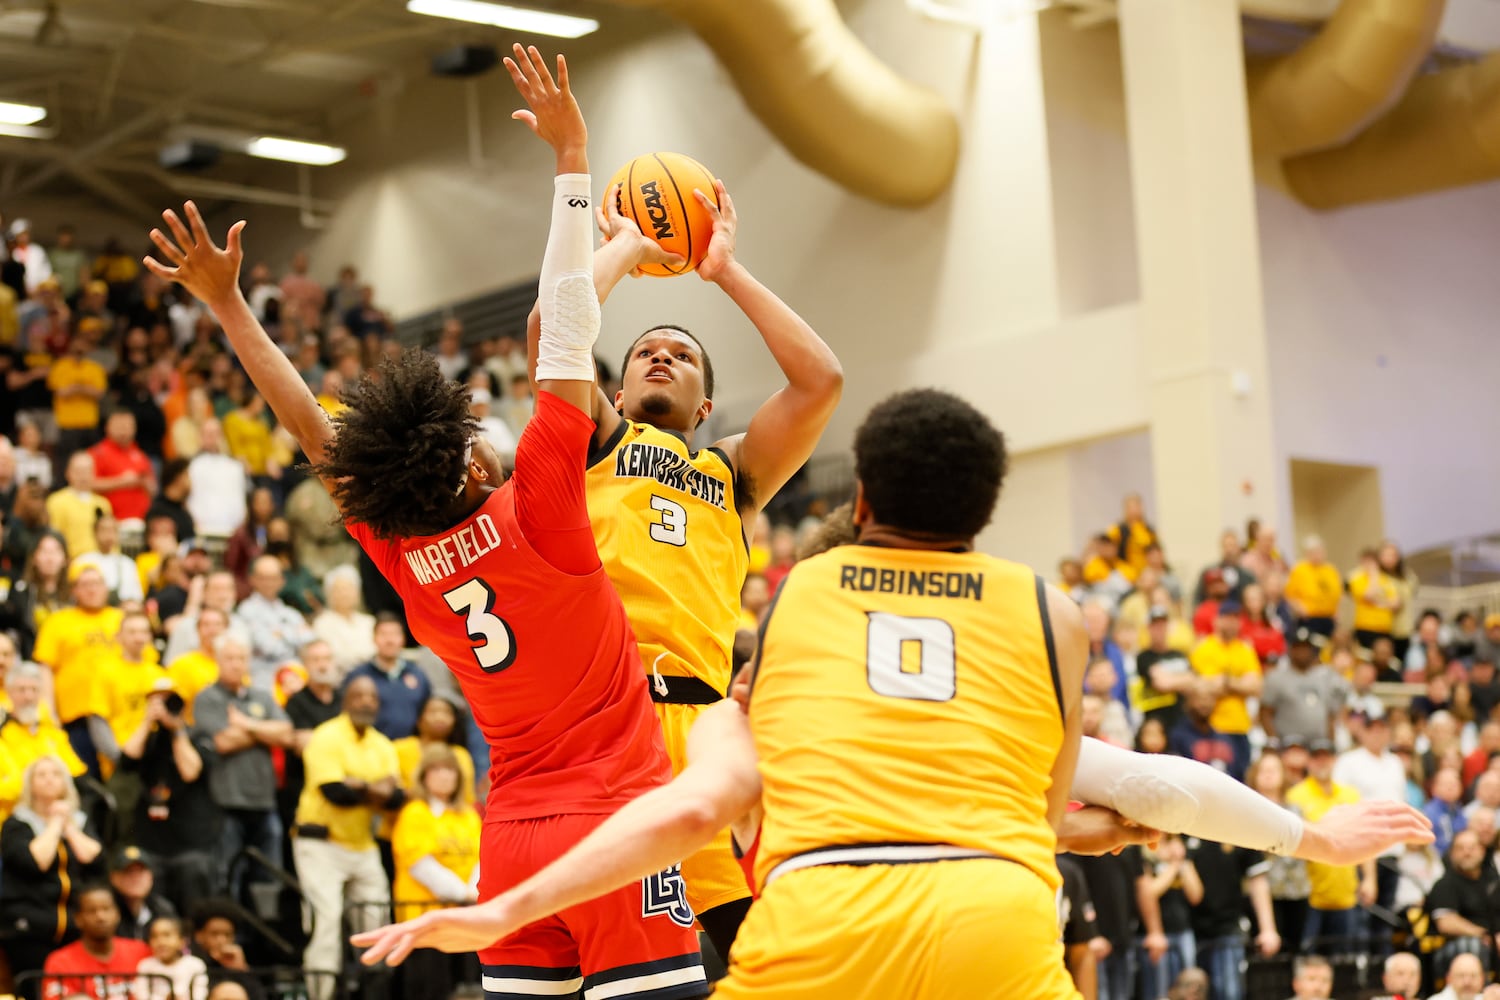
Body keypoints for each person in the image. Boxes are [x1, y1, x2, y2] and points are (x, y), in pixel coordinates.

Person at [145, 44, 701, 998]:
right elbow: (566, 323)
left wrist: (232, 307)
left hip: (514, 844)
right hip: (615, 818)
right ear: (473, 460)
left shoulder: (404, 554)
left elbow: (317, 435)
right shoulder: (542, 512)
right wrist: (574, 162)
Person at [531, 81, 841, 955]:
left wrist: (723, 271)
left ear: (706, 404)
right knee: (604, 953)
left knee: (742, 956)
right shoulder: (593, 437)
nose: (662, 354)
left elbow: (821, 382)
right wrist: (627, 247)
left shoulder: (733, 470)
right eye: (643, 353)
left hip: (699, 726)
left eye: (683, 356)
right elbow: (551, 329)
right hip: (606, 715)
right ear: (619, 389)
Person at [292, 675, 404, 986]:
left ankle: (374, 993)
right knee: (326, 921)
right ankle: (320, 995)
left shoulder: (382, 744)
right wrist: (374, 790)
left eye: (371, 697)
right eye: (358, 696)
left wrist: (358, 785)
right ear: (345, 701)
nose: (366, 702)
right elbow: (334, 793)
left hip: (362, 843)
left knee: (377, 920)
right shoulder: (326, 736)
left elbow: (395, 798)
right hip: (320, 842)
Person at [190, 632, 291, 886]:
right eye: (230, 658)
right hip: (226, 802)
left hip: (264, 800)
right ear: (218, 660)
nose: (236, 663)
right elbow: (223, 741)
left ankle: (265, 924)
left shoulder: (262, 697)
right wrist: (264, 732)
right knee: (227, 875)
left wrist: (246, 724)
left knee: (269, 877)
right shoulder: (207, 698)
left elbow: (287, 734)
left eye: (242, 658)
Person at [0, 756, 104, 985]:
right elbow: (35, 862)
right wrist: (55, 823)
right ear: (30, 784)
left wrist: (69, 825)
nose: (49, 780)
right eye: (42, 774)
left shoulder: (79, 820)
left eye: (56, 774)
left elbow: (94, 859)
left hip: (75, 928)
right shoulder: (17, 823)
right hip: (30, 928)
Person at [391, 745, 483, 1000]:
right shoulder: (414, 813)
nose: (445, 775)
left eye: (450, 770)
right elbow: (421, 864)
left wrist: (473, 892)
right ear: (424, 776)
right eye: (437, 769)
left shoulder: (468, 815)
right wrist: (463, 893)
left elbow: (482, 856)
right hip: (425, 918)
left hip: (466, 917)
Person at [32, 564, 124, 778]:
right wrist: (49, 711)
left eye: (97, 584)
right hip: (76, 717)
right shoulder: (58, 621)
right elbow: (45, 667)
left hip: (118, 716)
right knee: (85, 778)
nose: (92, 590)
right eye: (85, 584)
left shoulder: (121, 618)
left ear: (106, 588)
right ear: (74, 590)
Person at [40, 884, 151, 1000]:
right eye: (92, 911)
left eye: (106, 909)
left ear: (117, 914)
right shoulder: (59, 962)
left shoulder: (141, 951)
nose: (100, 917)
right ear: (78, 919)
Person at [344, 614, 431, 742]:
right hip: (369, 748)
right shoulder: (358, 676)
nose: (389, 640)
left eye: (395, 634)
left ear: (403, 639)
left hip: (410, 749)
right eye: (383, 634)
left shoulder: (417, 674)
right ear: (374, 639)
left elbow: (426, 711)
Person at [310, 565, 375, 671]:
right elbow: (334, 657)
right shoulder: (322, 623)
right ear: (329, 594)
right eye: (339, 590)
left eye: (349, 588)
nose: (344, 594)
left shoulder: (369, 622)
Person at [106, 845, 177, 943]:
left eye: (141, 871)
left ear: (151, 877)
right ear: (113, 878)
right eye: (128, 871)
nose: (135, 878)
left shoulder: (163, 909)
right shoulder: (105, 911)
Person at [135, 916, 209, 1000]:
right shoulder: (145, 966)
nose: (161, 942)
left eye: (167, 935)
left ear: (182, 941)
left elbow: (200, 995)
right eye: (154, 936)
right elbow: (141, 995)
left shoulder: (195, 965)